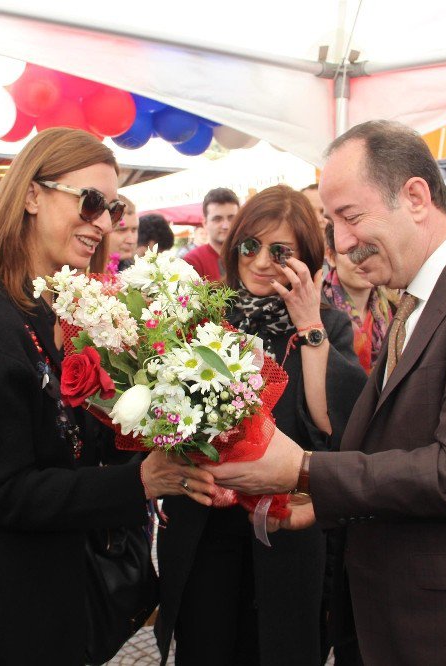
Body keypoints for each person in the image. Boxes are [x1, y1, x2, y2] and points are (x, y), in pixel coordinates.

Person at [206, 120, 446, 665]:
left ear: (416, 197)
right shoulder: (415, 301)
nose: (343, 243)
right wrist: (319, 506)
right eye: (333, 223)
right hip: (399, 616)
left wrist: (303, 470)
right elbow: (388, 448)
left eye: (350, 217)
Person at [0, 128, 215, 665]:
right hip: (11, 616)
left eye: (113, 207)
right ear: (32, 195)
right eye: (91, 201)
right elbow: (8, 492)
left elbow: (74, 448)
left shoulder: (58, 312)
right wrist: (138, 482)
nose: (103, 221)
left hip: (59, 600)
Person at [155, 184, 365, 666]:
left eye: (280, 251)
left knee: (281, 647)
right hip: (206, 522)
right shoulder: (205, 315)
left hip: (286, 524)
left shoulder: (325, 326)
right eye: (250, 245)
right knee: (206, 646)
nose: (261, 260)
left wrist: (307, 323)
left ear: (307, 259)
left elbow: (330, 423)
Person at [321, 220, 396, 374]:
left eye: (371, 250)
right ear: (330, 256)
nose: (363, 261)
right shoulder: (319, 311)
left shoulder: (395, 309)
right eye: (352, 251)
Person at [183, 187, 239, 281]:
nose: (226, 226)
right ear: (205, 223)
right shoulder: (193, 261)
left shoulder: (248, 255)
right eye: (217, 219)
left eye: (231, 218)